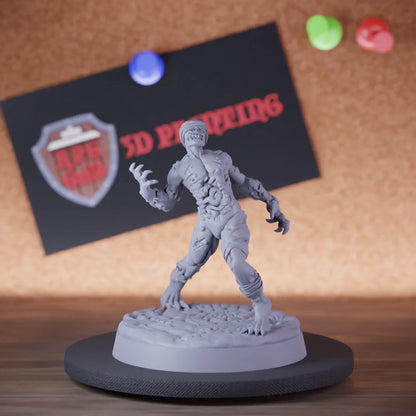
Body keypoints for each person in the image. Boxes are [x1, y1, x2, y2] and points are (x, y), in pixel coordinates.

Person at [129, 120, 290, 335]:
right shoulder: (178, 170)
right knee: (193, 260)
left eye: (199, 130)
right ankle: (172, 292)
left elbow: (244, 183)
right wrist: (148, 193)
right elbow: (168, 202)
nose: (195, 133)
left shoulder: (221, 158)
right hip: (206, 219)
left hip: (231, 215)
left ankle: (260, 302)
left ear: (205, 136)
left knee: (236, 262)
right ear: (183, 138)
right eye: (190, 131)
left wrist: (271, 201)